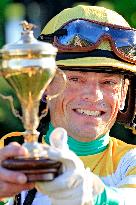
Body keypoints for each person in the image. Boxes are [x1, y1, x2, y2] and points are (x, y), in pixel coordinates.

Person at [0, 4, 136, 205]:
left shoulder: (130, 162)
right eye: (75, 79)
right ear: (43, 85)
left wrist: (91, 194)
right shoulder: (6, 160)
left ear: (124, 93)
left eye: (108, 82)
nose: (94, 95)